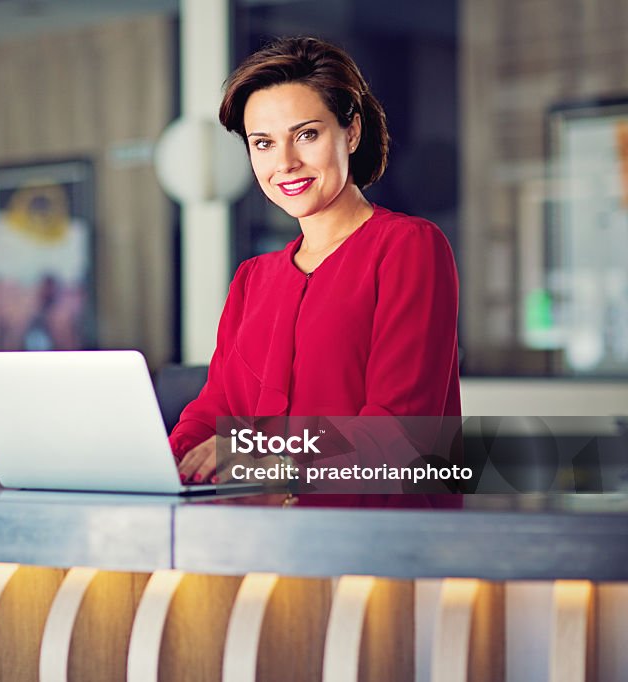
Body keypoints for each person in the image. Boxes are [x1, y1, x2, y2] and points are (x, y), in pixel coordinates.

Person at [170, 37, 462, 502]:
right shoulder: (253, 278)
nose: (284, 163)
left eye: (306, 134)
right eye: (263, 143)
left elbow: (401, 429)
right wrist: (166, 459)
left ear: (351, 133)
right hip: (259, 541)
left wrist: (270, 458)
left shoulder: (409, 247)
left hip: (375, 542)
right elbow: (214, 411)